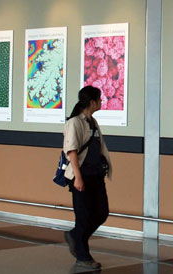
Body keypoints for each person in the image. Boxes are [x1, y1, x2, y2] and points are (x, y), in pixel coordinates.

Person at [62, 86, 113, 270]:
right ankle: (83, 257)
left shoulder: (93, 122)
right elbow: (72, 151)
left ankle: (75, 236)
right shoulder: (75, 123)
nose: (101, 102)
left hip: (96, 175)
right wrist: (78, 177)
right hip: (81, 176)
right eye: (99, 99)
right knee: (83, 217)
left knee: (101, 212)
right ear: (92, 102)